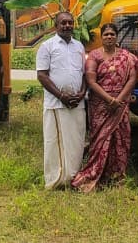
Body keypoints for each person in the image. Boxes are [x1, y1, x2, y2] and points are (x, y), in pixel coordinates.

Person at [71, 22, 138, 192]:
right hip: (101, 104)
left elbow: (132, 79)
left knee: (120, 139)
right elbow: (91, 81)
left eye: (112, 34)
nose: (109, 37)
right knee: (99, 140)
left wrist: (118, 100)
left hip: (120, 104)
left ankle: (116, 175)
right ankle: (95, 173)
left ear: (116, 37)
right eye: (106, 34)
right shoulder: (94, 56)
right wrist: (109, 100)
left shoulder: (127, 57)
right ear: (101, 37)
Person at [36, 11, 87, 189]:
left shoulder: (79, 46)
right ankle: (56, 180)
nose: (67, 26)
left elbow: (84, 74)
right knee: (55, 142)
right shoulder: (47, 46)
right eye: (63, 23)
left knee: (76, 142)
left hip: (77, 104)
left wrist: (82, 93)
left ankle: (73, 178)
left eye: (70, 22)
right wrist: (61, 96)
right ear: (56, 25)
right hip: (57, 104)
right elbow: (42, 75)